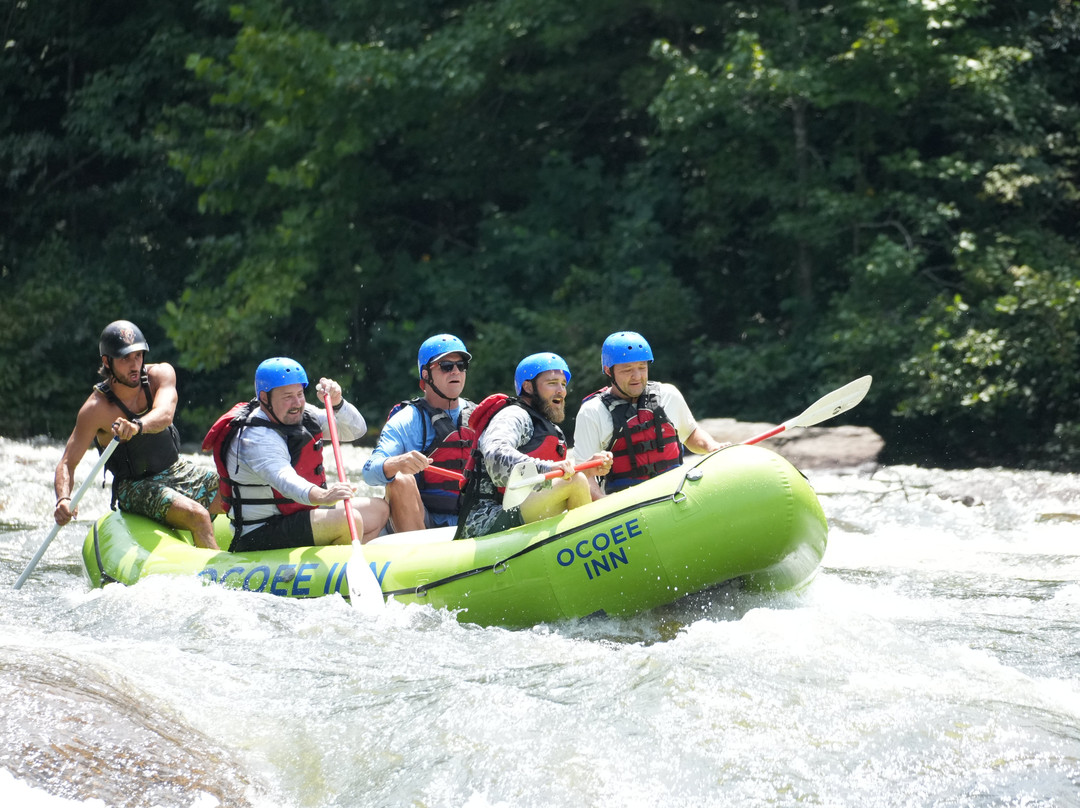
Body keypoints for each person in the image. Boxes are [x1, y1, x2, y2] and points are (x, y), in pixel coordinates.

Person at [53, 320, 222, 549]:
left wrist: (136, 426)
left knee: (238, 493)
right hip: (134, 487)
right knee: (197, 515)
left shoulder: (160, 375)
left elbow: (165, 414)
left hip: (176, 470)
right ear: (107, 362)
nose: (134, 365)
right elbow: (67, 463)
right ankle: (215, 571)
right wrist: (63, 499)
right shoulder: (95, 409)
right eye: (125, 359)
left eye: (138, 356)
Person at [203, 357, 389, 553]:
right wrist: (323, 495)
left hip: (297, 514)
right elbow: (285, 480)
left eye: (300, 394)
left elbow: (355, 431)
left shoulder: (302, 414)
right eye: (287, 396)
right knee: (348, 520)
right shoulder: (255, 437)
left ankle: (335, 555)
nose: (297, 403)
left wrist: (338, 403)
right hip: (261, 531)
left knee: (378, 510)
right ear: (264, 398)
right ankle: (337, 561)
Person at [456, 352, 612, 539]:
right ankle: (588, 543)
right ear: (528, 387)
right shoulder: (513, 415)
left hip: (521, 510)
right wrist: (548, 468)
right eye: (552, 383)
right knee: (576, 481)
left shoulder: (552, 429)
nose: (561, 391)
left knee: (578, 477)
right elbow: (495, 456)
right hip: (485, 520)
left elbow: (550, 483)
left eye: (563, 384)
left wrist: (586, 469)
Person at [573, 331, 727, 498]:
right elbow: (584, 475)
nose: (637, 377)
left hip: (676, 492)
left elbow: (690, 434)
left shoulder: (668, 395)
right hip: (626, 502)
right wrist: (604, 504)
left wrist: (712, 447)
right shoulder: (592, 412)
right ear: (609, 371)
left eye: (642, 367)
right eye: (627, 370)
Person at [361, 334, 475, 532]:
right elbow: (369, 472)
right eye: (446, 366)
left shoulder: (480, 416)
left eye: (461, 365)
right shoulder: (407, 420)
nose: (456, 371)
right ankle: (416, 548)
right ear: (426, 374)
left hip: (473, 519)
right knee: (400, 480)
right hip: (423, 522)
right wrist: (397, 463)